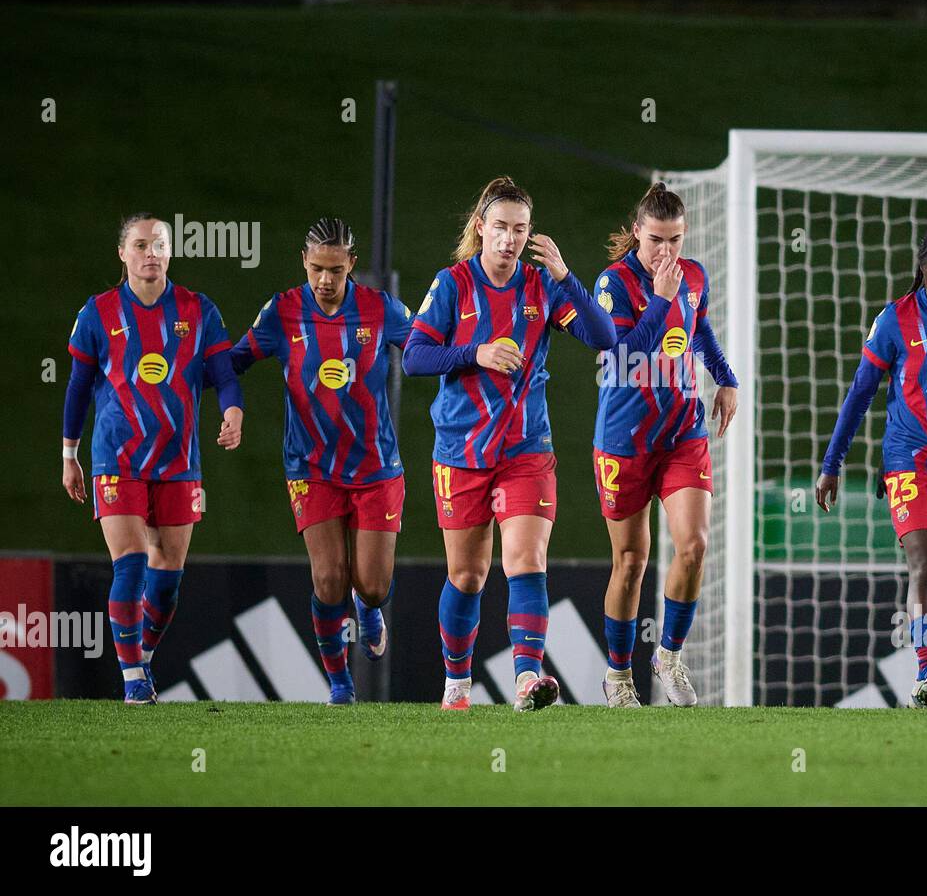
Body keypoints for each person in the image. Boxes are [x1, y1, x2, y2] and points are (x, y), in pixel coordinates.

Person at [403, 177, 615, 712]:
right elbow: (414, 356)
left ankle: (526, 678)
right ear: (481, 227)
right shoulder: (452, 284)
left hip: (525, 450)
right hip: (462, 451)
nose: (510, 239)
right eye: (500, 228)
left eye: (520, 230)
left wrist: (567, 275)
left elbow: (603, 337)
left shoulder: (542, 287)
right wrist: (475, 353)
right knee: (468, 575)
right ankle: (456, 683)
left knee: (526, 559)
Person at [62, 213, 243, 704]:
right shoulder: (98, 313)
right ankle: (133, 677)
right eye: (140, 245)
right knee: (132, 563)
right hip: (116, 459)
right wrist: (69, 453)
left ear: (170, 252)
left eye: (159, 244)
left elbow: (224, 372)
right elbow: (78, 388)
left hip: (178, 462)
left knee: (167, 581)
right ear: (122, 253)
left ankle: (139, 652)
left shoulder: (197, 309)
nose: (150, 253)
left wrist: (233, 410)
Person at [231, 217, 411, 705]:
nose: (326, 281)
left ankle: (368, 609)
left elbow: (423, 350)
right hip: (311, 467)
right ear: (303, 263)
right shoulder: (282, 312)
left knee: (371, 587)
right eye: (316, 270)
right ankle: (339, 682)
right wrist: (192, 376)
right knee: (329, 578)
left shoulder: (380, 309)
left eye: (335, 269)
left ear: (352, 264)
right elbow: (235, 361)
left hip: (376, 467)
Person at [816, 225, 927, 708]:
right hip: (911, 462)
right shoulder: (896, 320)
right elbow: (860, 393)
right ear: (922, 272)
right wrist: (831, 463)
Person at [592, 182, 739, 708]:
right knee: (631, 561)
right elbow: (622, 349)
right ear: (637, 233)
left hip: (681, 433)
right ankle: (618, 676)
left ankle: (669, 657)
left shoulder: (691, 276)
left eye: (676, 239)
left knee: (694, 545)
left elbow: (699, 329)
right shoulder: (612, 284)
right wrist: (660, 298)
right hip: (624, 441)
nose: (666, 252)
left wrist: (726, 377)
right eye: (656, 239)